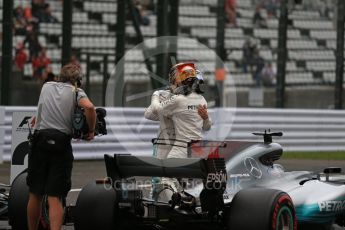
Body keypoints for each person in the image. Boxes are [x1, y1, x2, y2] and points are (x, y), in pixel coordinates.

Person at [27, 64, 96, 230]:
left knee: (35, 194)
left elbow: (42, 110)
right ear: (77, 81)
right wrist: (91, 130)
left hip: (39, 141)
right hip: (60, 144)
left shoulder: (46, 86)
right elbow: (90, 107)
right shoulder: (76, 92)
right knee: (54, 196)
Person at [144, 63, 212, 159]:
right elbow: (207, 127)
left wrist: (156, 94)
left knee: (166, 171)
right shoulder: (202, 99)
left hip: (179, 148)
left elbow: (151, 112)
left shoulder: (176, 99)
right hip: (193, 149)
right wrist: (206, 118)